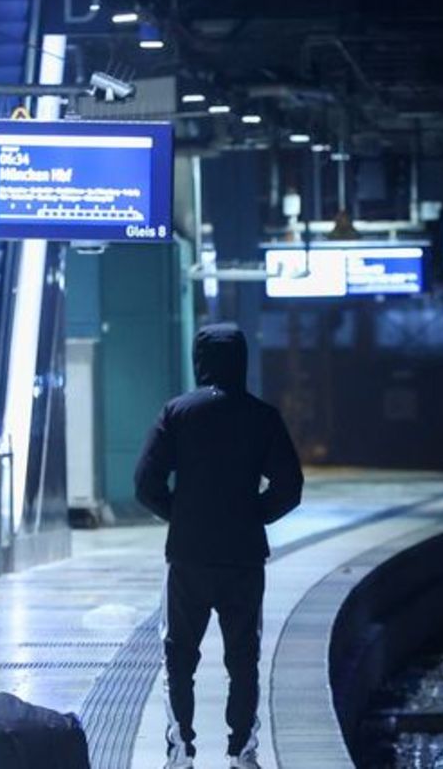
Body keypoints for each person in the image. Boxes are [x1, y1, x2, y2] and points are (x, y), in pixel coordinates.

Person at [134, 323, 304, 769]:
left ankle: (181, 751)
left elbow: (145, 483)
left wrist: (185, 517)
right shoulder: (262, 416)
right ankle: (241, 753)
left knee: (179, 658)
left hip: (188, 556)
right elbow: (290, 486)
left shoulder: (178, 412)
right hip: (243, 558)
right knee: (243, 658)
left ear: (200, 360)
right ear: (242, 360)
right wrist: (250, 516)